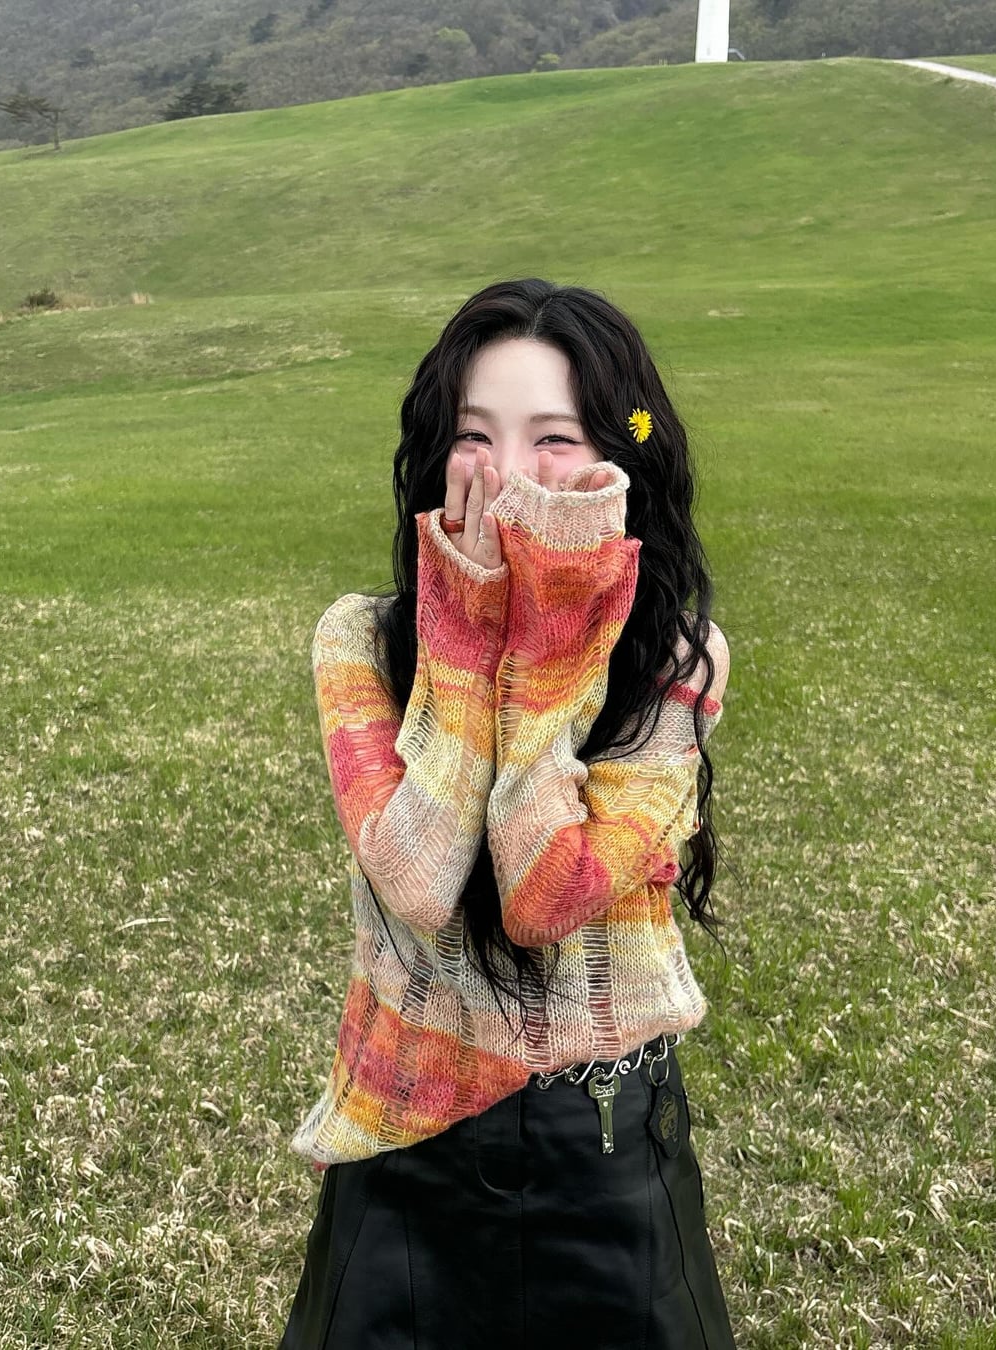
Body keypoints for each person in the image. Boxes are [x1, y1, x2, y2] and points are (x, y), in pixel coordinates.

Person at [278, 277, 735, 1349]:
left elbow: (545, 895)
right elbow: (419, 876)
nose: (511, 476)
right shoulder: (361, 640)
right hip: (405, 1144)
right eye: (475, 437)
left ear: (624, 458)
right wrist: (466, 635)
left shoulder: (677, 663)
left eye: (556, 438)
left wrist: (547, 651)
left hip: (605, 1146)